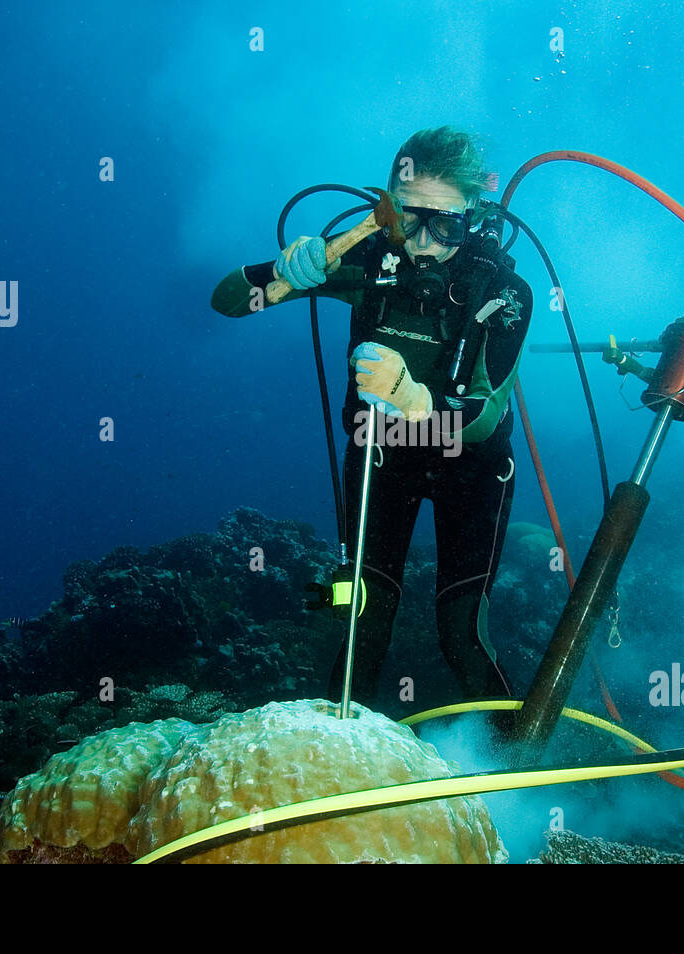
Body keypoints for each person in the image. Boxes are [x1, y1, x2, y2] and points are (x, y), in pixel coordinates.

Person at [210, 127, 533, 709]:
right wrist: (297, 266)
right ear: (385, 208)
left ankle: (514, 764)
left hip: (472, 469)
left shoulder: (503, 291)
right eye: (409, 220)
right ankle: (336, 774)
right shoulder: (364, 260)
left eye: (448, 225)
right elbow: (229, 301)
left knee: (461, 636)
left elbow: (486, 416)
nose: (427, 243)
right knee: (362, 621)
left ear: (473, 218)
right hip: (381, 459)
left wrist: (417, 402)